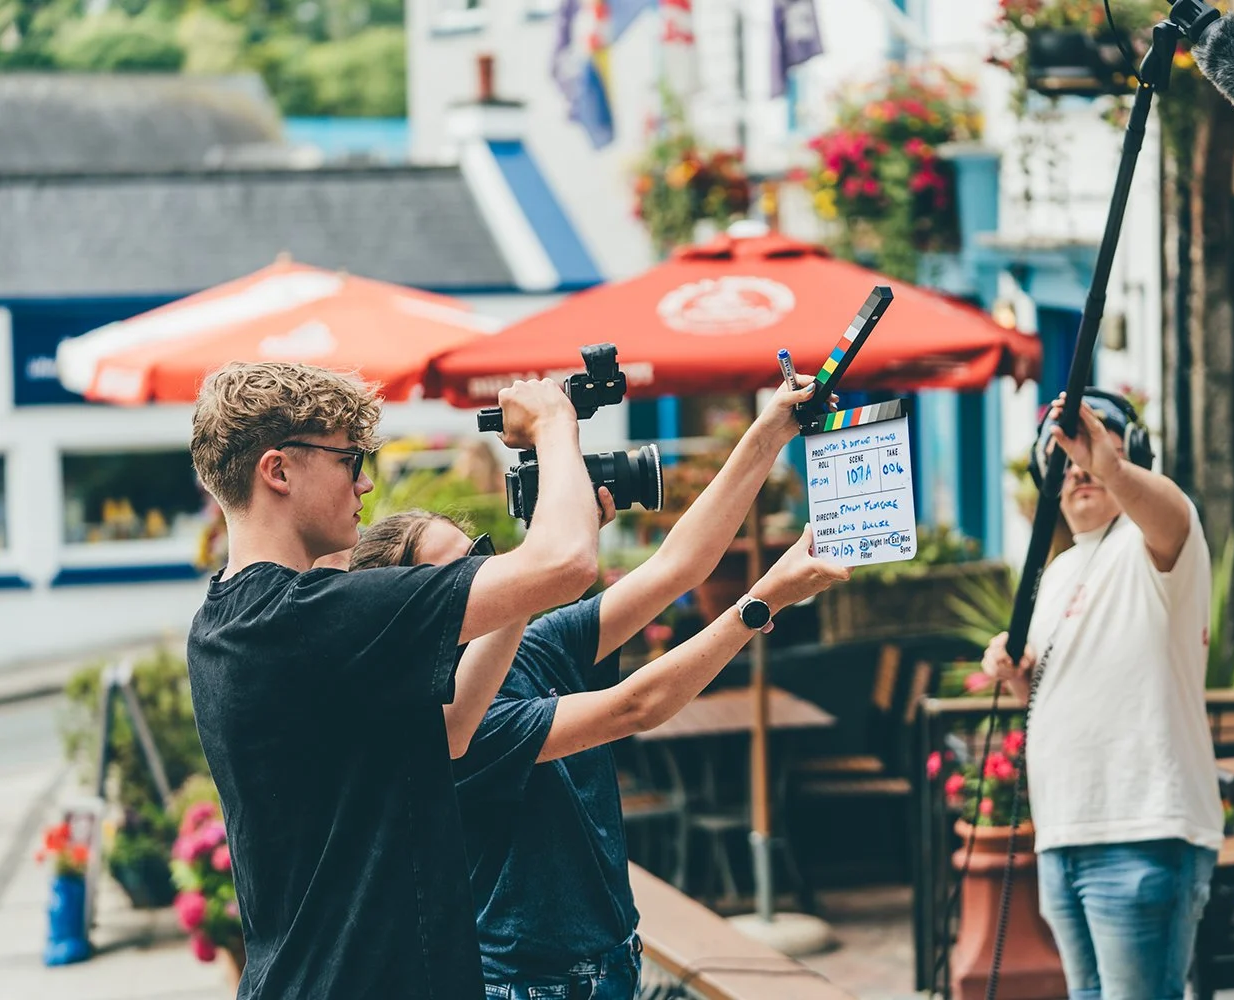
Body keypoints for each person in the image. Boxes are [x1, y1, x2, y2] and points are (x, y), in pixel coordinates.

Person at [350, 375, 851, 1000]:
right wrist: (761, 603)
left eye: (481, 551)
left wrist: (771, 428)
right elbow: (636, 707)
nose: (485, 571)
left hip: (609, 959)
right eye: (460, 572)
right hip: (529, 986)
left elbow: (678, 566)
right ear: (417, 609)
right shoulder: (447, 719)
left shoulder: (531, 646)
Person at [185, 361, 603, 1000]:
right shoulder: (313, 618)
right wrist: (552, 421)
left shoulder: (224, 623)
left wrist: (521, 583)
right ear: (278, 470)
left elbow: (452, 728)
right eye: (350, 460)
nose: (366, 484)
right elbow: (568, 563)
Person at [981, 390, 1221, 1000]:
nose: (1080, 468)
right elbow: (1046, 696)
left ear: (1130, 457)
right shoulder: (1056, 573)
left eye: (1095, 451)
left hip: (1142, 827)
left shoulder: (1154, 543)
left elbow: (1174, 513)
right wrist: (1015, 677)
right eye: (1064, 459)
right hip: (1065, 831)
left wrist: (1113, 468)